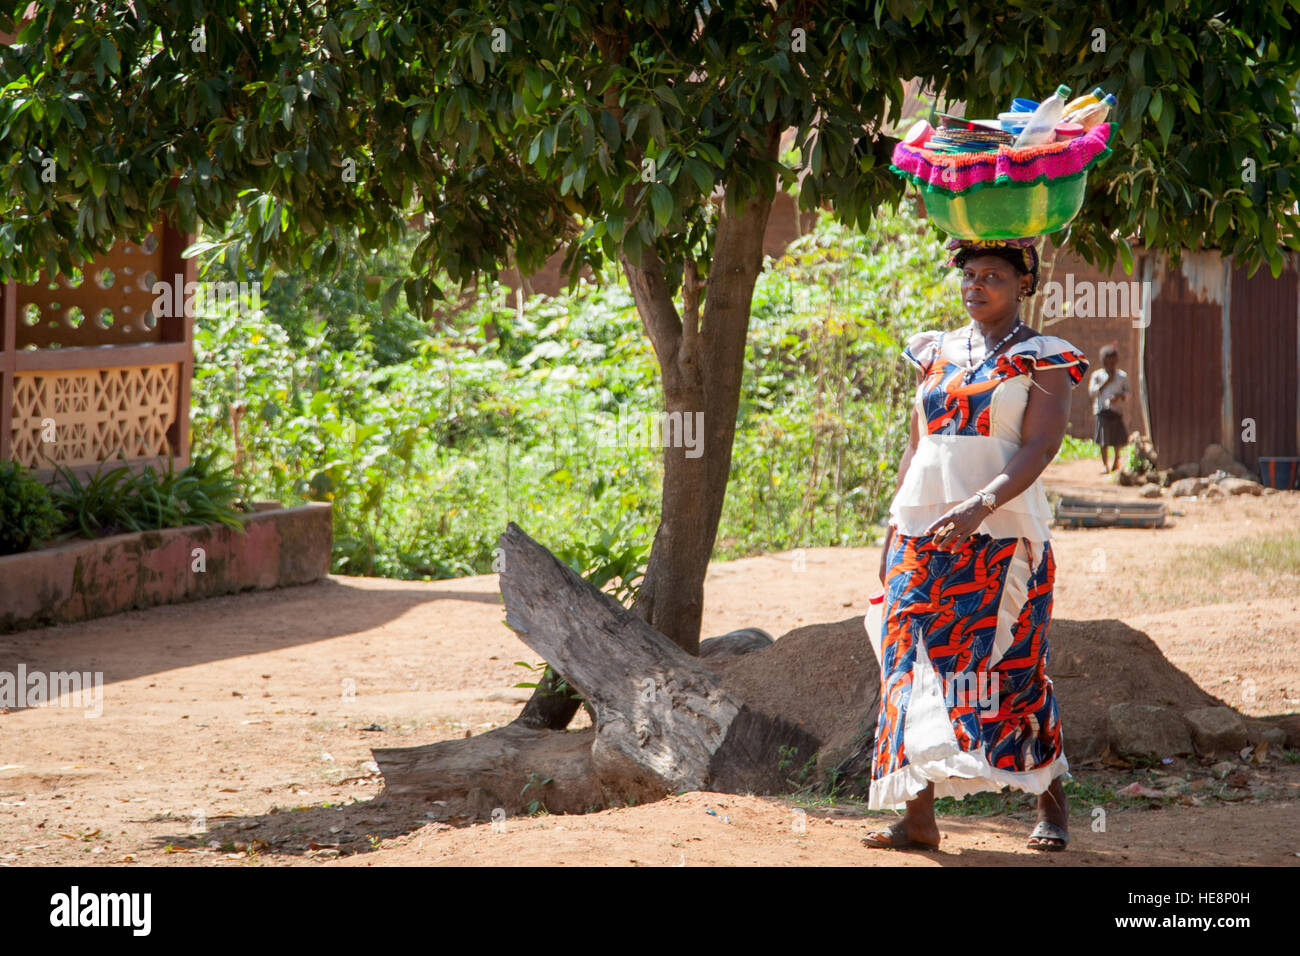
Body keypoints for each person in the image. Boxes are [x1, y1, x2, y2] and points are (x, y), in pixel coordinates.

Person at [863, 236, 1089, 853]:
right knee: (905, 660)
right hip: (924, 530)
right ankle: (918, 817)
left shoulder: (1043, 356)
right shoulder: (934, 351)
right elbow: (919, 448)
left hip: (1004, 535)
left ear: (1023, 286)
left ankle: (1051, 804)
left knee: (1012, 668)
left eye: (992, 275)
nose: (976, 284)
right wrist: (892, 530)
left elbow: (1040, 447)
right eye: (968, 274)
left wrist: (979, 505)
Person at [1088, 344, 1130, 474]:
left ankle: (1116, 461)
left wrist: (1120, 397)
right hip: (1102, 411)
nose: (1110, 365)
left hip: (1116, 411)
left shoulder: (1122, 376)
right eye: (1108, 362)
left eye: (1113, 362)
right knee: (1103, 440)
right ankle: (1105, 465)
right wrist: (1107, 381)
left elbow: (1128, 394)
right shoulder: (1097, 376)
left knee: (1118, 439)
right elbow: (1092, 393)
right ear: (1103, 362)